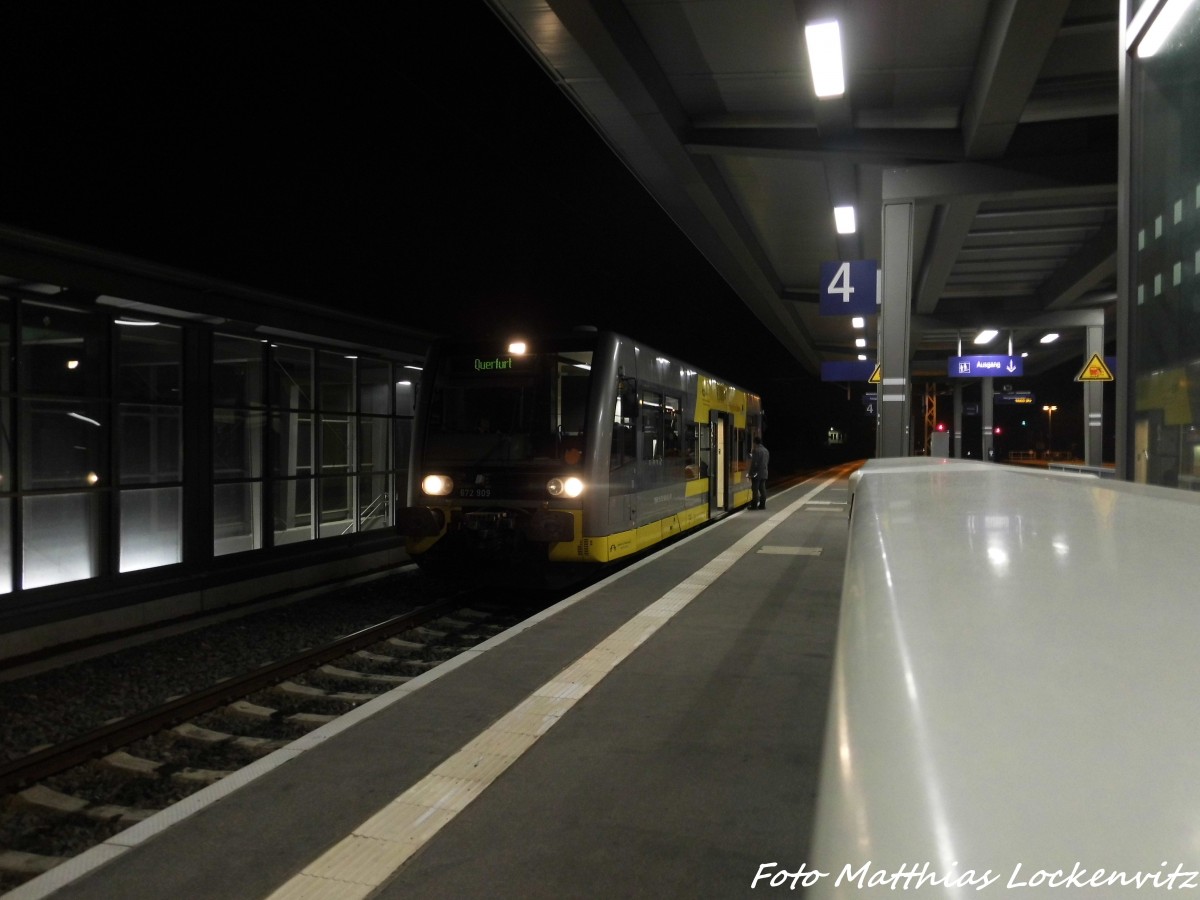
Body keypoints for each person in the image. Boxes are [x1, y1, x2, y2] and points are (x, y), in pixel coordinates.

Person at [749, 436, 769, 510]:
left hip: (756, 474)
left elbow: (754, 463)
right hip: (764, 473)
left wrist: (751, 473)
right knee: (762, 489)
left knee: (755, 490)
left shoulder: (756, 450)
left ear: (755, 442)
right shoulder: (766, 450)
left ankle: (754, 506)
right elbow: (767, 462)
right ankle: (762, 505)